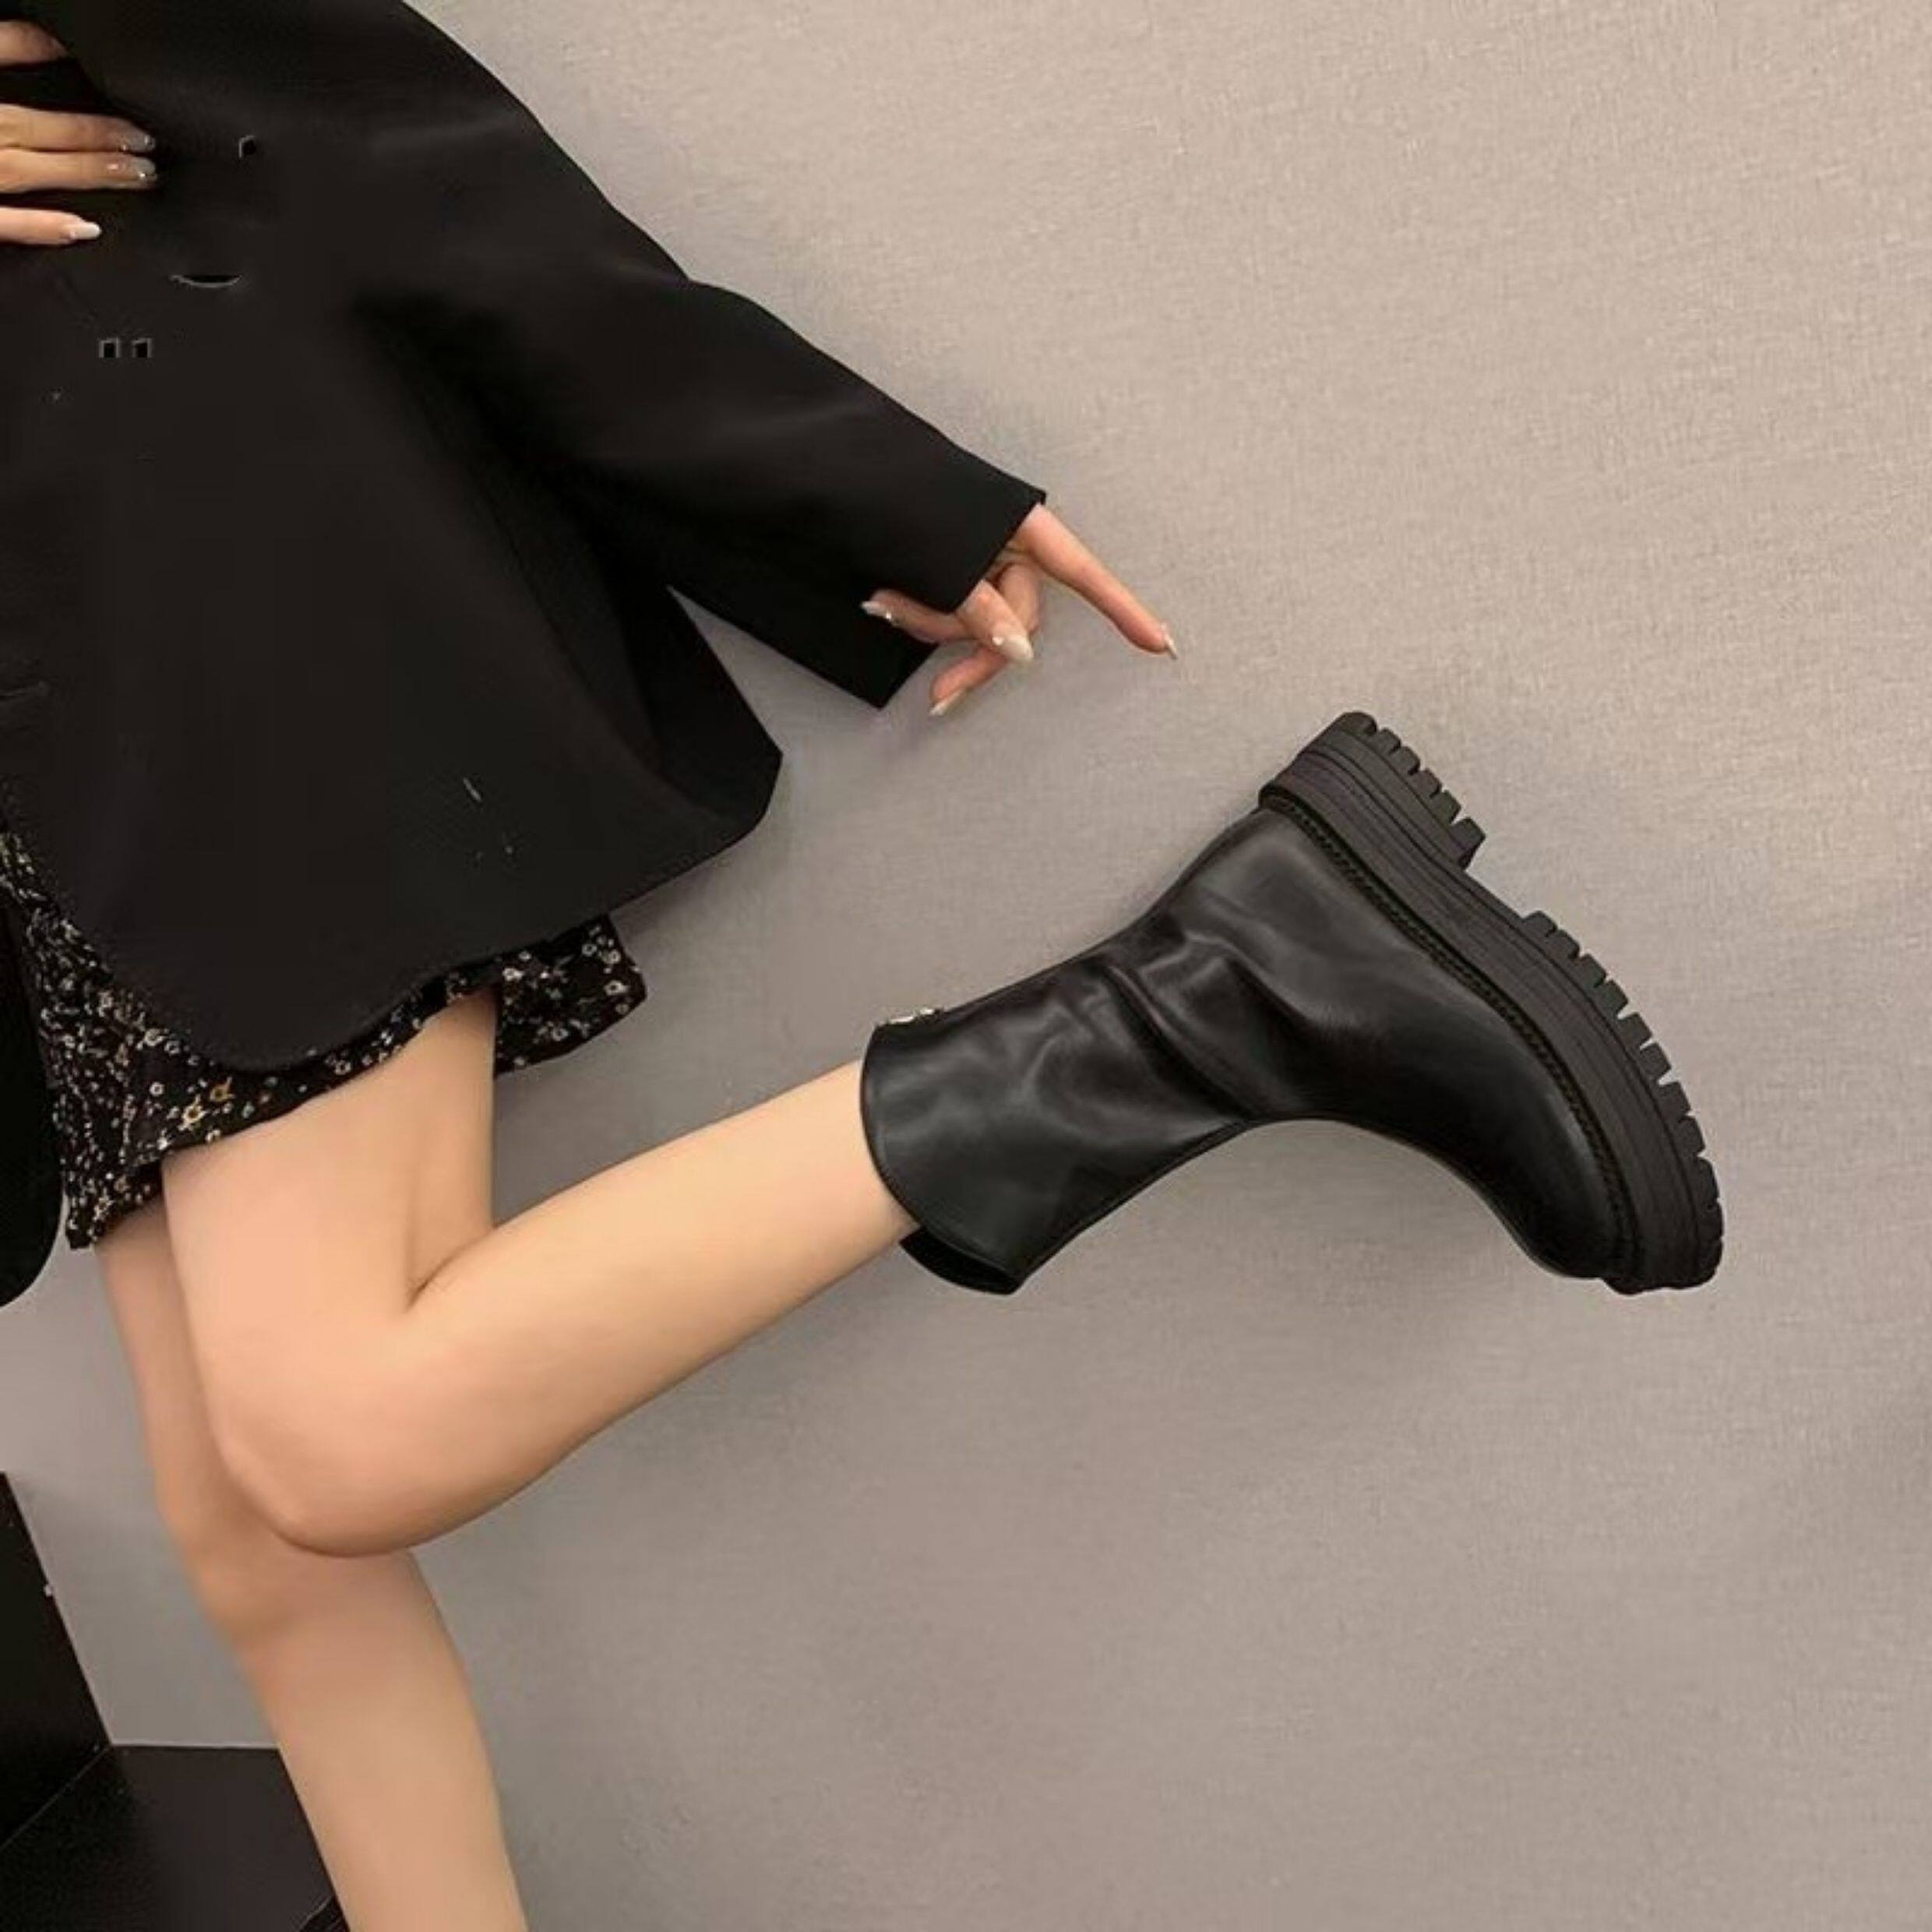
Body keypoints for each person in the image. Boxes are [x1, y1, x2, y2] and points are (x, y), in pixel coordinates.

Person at [0, 12, 1721, 1928]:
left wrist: (834, 482)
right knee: (258, 1542)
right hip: (65, 747)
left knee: (333, 1439)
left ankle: (1205, 996)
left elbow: (347, 109)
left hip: (184, 625)